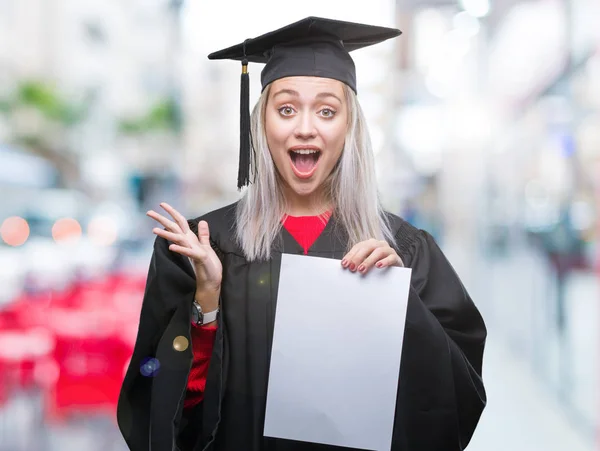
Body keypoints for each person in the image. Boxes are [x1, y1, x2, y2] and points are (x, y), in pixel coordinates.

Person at [117, 16, 487, 451]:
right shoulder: (204, 246)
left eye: (327, 111)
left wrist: (399, 304)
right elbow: (157, 399)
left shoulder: (405, 250)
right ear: (262, 124)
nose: (306, 127)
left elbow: (457, 400)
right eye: (286, 108)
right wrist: (208, 301)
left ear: (349, 127)